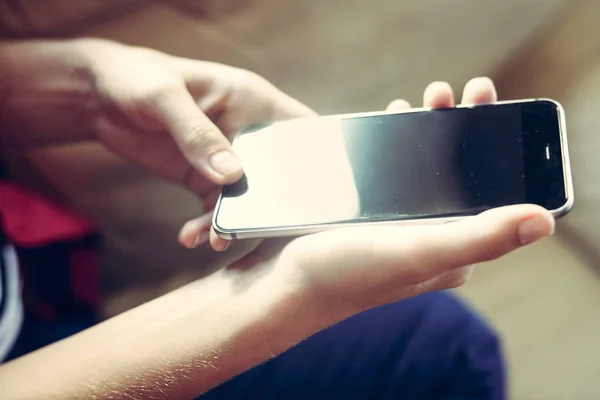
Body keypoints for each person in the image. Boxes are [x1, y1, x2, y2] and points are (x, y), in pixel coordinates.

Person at [0, 38, 554, 399]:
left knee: (441, 338)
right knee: (446, 348)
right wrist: (285, 291)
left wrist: (87, 86)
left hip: (32, 284)